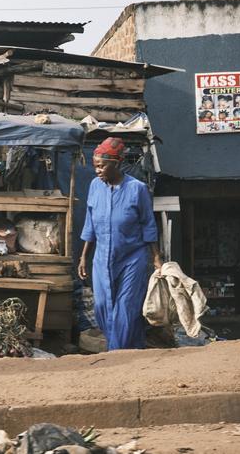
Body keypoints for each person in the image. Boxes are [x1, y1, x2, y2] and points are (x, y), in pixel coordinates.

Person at [78, 137, 162, 350]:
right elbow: (90, 223)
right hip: (101, 258)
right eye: (95, 165)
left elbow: (148, 225)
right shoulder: (95, 186)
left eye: (102, 165)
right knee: (102, 306)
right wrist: (83, 257)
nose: (98, 170)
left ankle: (116, 354)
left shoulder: (137, 189)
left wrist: (157, 259)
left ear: (117, 163)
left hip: (132, 258)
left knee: (125, 308)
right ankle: (129, 349)